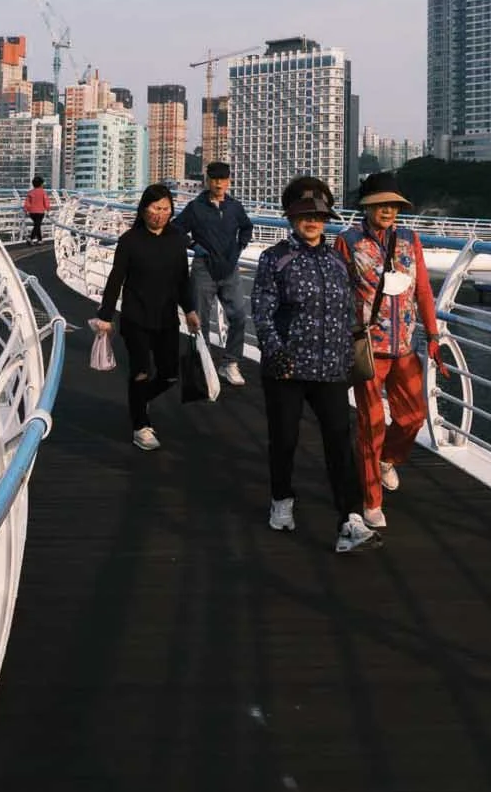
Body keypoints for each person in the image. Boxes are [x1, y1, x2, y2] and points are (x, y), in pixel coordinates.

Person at [251, 177, 376, 554]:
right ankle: (282, 500)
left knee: (340, 442)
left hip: (331, 369)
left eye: (319, 216)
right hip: (286, 368)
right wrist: (275, 350)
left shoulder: (338, 260)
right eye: (305, 215)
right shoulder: (274, 258)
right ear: (291, 218)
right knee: (285, 440)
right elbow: (262, 310)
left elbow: (350, 308)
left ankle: (349, 520)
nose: (313, 222)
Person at [337, 172, 440, 529]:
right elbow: (338, 293)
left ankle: (388, 460)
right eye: (381, 204)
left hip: (405, 347)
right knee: (370, 425)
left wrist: (434, 335)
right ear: (366, 207)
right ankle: (371, 502)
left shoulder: (410, 239)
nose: (388, 210)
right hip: (367, 347)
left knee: (413, 416)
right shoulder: (348, 241)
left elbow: (423, 289)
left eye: (393, 204)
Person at [90, 183, 200, 451]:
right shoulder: (130, 240)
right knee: (140, 371)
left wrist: (190, 310)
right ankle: (141, 425)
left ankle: (140, 400)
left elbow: (182, 280)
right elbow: (116, 279)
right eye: (155, 208)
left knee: (169, 374)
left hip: (166, 318)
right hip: (136, 316)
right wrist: (105, 316)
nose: (160, 214)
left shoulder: (176, 239)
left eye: (165, 209)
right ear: (143, 209)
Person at [174, 161, 253, 387]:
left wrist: (241, 246)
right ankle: (204, 364)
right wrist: (193, 245)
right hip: (203, 269)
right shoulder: (195, 207)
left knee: (238, 316)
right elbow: (177, 228)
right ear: (207, 181)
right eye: (214, 179)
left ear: (229, 181)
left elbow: (246, 227)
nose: (219, 183)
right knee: (199, 320)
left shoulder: (235, 207)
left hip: (230, 270)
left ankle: (230, 363)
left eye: (223, 179)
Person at [23, 174, 52, 243]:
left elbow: (27, 202)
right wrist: (48, 209)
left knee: (37, 225)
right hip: (40, 212)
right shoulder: (43, 192)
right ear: (41, 184)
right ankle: (31, 238)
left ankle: (40, 240)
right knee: (37, 225)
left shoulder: (30, 192)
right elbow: (46, 202)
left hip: (32, 212)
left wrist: (26, 210)